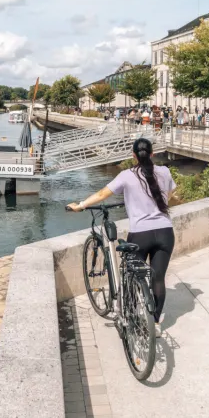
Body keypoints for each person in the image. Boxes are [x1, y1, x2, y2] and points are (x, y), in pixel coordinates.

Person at [67, 138, 176, 338]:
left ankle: (133, 315)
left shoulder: (126, 175)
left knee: (133, 275)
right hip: (165, 232)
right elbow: (168, 192)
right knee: (158, 277)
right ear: (152, 154)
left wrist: (80, 205)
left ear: (133, 156)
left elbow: (101, 195)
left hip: (140, 234)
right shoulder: (165, 172)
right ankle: (156, 322)